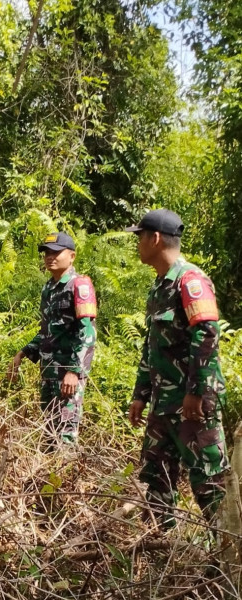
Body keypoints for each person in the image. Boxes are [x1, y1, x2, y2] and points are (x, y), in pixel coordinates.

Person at [126, 209, 228, 530]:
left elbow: (208, 333)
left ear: (155, 238)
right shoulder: (159, 288)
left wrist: (196, 393)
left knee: (210, 487)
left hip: (192, 409)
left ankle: (229, 561)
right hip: (163, 407)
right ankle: (161, 554)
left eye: (140, 236)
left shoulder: (191, 282)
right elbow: (152, 346)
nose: (137, 242)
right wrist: (140, 394)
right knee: (156, 481)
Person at [8, 232, 97, 447]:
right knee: (49, 431)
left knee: (66, 434)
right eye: (47, 253)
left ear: (72, 256)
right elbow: (48, 331)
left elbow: (87, 332)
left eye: (56, 252)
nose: (50, 257)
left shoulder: (79, 286)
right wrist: (23, 353)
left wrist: (74, 371)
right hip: (49, 373)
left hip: (68, 375)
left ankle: (66, 478)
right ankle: (48, 479)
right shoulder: (48, 288)